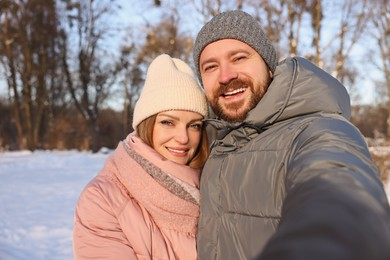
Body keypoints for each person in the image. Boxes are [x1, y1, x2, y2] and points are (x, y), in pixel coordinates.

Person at [192, 10, 390, 260]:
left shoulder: (317, 130)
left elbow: (341, 193)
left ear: (269, 67)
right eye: (210, 67)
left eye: (239, 58)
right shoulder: (210, 143)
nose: (225, 76)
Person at [73, 54, 209, 259]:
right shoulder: (102, 200)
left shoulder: (216, 184)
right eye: (168, 122)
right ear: (147, 124)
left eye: (194, 125)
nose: (183, 138)